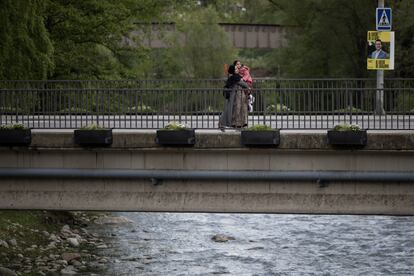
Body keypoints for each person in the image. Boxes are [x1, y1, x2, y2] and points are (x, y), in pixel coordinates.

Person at [219, 65, 250, 131]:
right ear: (233, 70)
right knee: (231, 110)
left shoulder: (233, 77)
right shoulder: (235, 77)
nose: (237, 69)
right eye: (235, 69)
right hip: (235, 97)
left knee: (232, 110)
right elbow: (244, 84)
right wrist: (248, 87)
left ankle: (237, 125)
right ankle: (223, 124)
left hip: (236, 97)